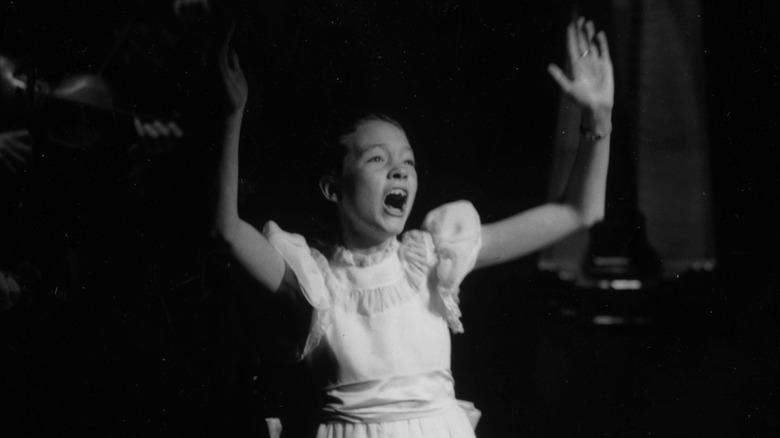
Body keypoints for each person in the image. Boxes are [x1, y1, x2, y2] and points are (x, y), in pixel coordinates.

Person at [209, 16, 613, 438]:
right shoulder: (313, 282)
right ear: (333, 188)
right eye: (378, 159)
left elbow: (578, 212)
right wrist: (231, 116)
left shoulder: (435, 259)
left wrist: (598, 119)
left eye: (407, 162)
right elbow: (226, 230)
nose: (399, 171)